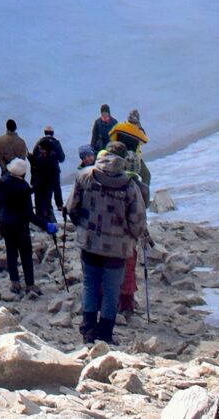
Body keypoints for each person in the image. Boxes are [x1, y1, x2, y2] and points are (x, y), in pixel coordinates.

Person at [69, 142, 145, 343]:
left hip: (89, 242)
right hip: (117, 248)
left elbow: (72, 207)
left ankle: (88, 331)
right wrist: (130, 235)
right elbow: (137, 218)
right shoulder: (129, 185)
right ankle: (105, 334)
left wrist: (82, 226)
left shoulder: (85, 176)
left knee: (90, 285)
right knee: (112, 291)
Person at [111, 121, 151, 314]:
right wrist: (143, 232)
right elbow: (141, 214)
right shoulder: (140, 188)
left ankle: (112, 300)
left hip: (111, 231)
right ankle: (127, 303)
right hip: (129, 235)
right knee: (128, 268)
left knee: (111, 268)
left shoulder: (114, 182)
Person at [0, 157, 38, 295]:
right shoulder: (24, 188)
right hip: (20, 226)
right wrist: (45, 225)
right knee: (26, 254)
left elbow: (1, 204)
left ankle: (15, 282)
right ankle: (30, 284)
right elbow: (29, 214)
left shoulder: (1, 182)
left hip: (5, 223)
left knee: (11, 253)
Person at [29, 127, 67, 225]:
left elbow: (34, 158)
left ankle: (40, 219)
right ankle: (58, 207)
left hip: (39, 175)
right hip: (53, 173)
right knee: (53, 191)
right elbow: (62, 158)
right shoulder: (56, 143)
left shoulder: (39, 143)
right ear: (52, 133)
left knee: (40, 198)